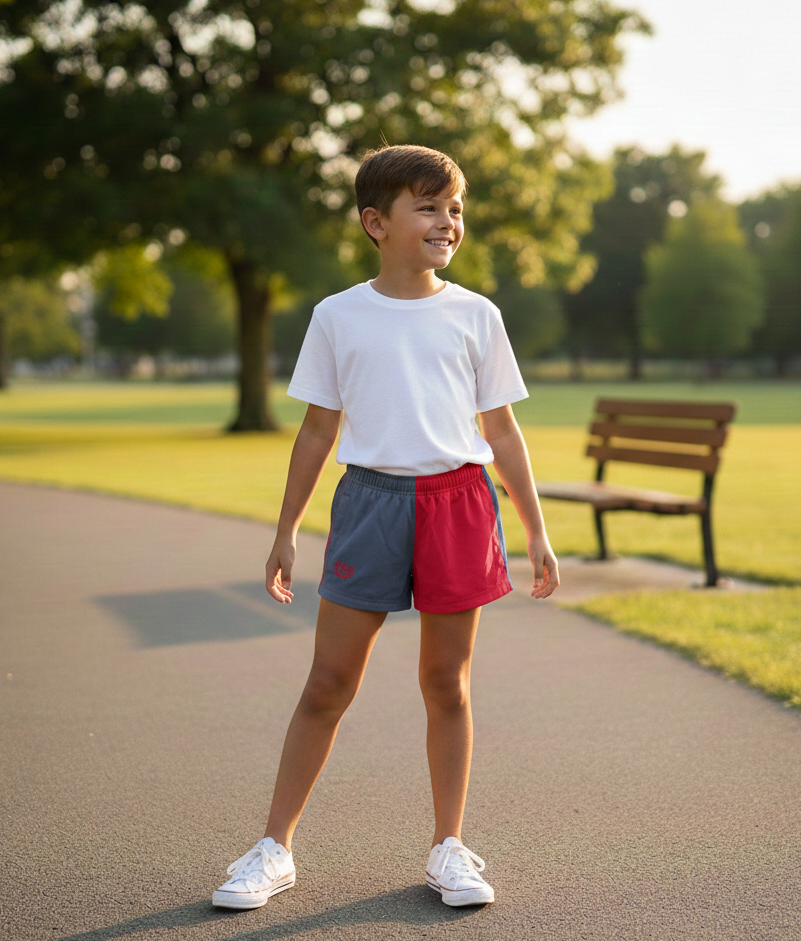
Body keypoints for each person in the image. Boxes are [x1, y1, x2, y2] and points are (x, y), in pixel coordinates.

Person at [212, 144, 560, 911]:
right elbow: (315, 431)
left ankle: (448, 848)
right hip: (369, 503)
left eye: (455, 208)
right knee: (328, 682)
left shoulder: (476, 314)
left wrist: (534, 528)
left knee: (446, 682)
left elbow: (500, 431)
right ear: (377, 222)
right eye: (428, 207)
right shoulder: (337, 315)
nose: (448, 221)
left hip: (460, 503)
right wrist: (284, 529)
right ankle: (273, 849)